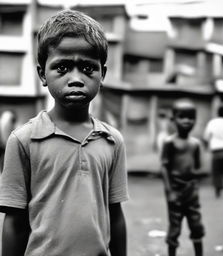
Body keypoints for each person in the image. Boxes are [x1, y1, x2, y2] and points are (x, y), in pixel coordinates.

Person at [0, 9, 129, 256]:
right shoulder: (24, 140)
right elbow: (14, 222)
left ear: (102, 74)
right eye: (62, 67)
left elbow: (116, 214)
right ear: (42, 74)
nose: (76, 79)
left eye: (88, 68)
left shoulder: (112, 141)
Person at [161, 99, 205, 256]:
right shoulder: (170, 142)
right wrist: (169, 191)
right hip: (176, 190)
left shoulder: (195, 144)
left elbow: (197, 167)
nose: (187, 121)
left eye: (191, 117)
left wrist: (196, 179)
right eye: (182, 117)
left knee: (197, 225)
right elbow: (164, 167)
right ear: (173, 119)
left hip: (191, 191)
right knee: (175, 228)